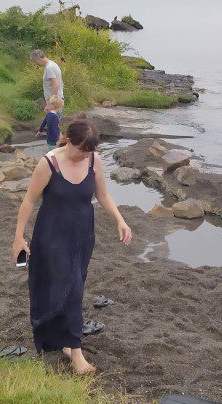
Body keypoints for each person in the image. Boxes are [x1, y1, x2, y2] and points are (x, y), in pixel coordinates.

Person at [12, 119, 132, 375]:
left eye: (89, 151)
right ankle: (75, 351)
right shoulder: (49, 164)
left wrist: (120, 221)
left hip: (82, 235)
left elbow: (103, 195)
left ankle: (65, 341)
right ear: (68, 140)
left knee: (74, 284)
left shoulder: (93, 161)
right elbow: (29, 200)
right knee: (68, 288)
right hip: (51, 236)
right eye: (81, 149)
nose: (85, 155)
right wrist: (18, 237)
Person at [30, 49, 64, 113]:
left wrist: (51, 104)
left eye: (35, 62)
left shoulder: (49, 68)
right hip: (57, 100)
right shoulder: (52, 64)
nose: (36, 64)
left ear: (38, 59)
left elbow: (55, 85)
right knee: (54, 122)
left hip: (54, 103)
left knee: (52, 122)